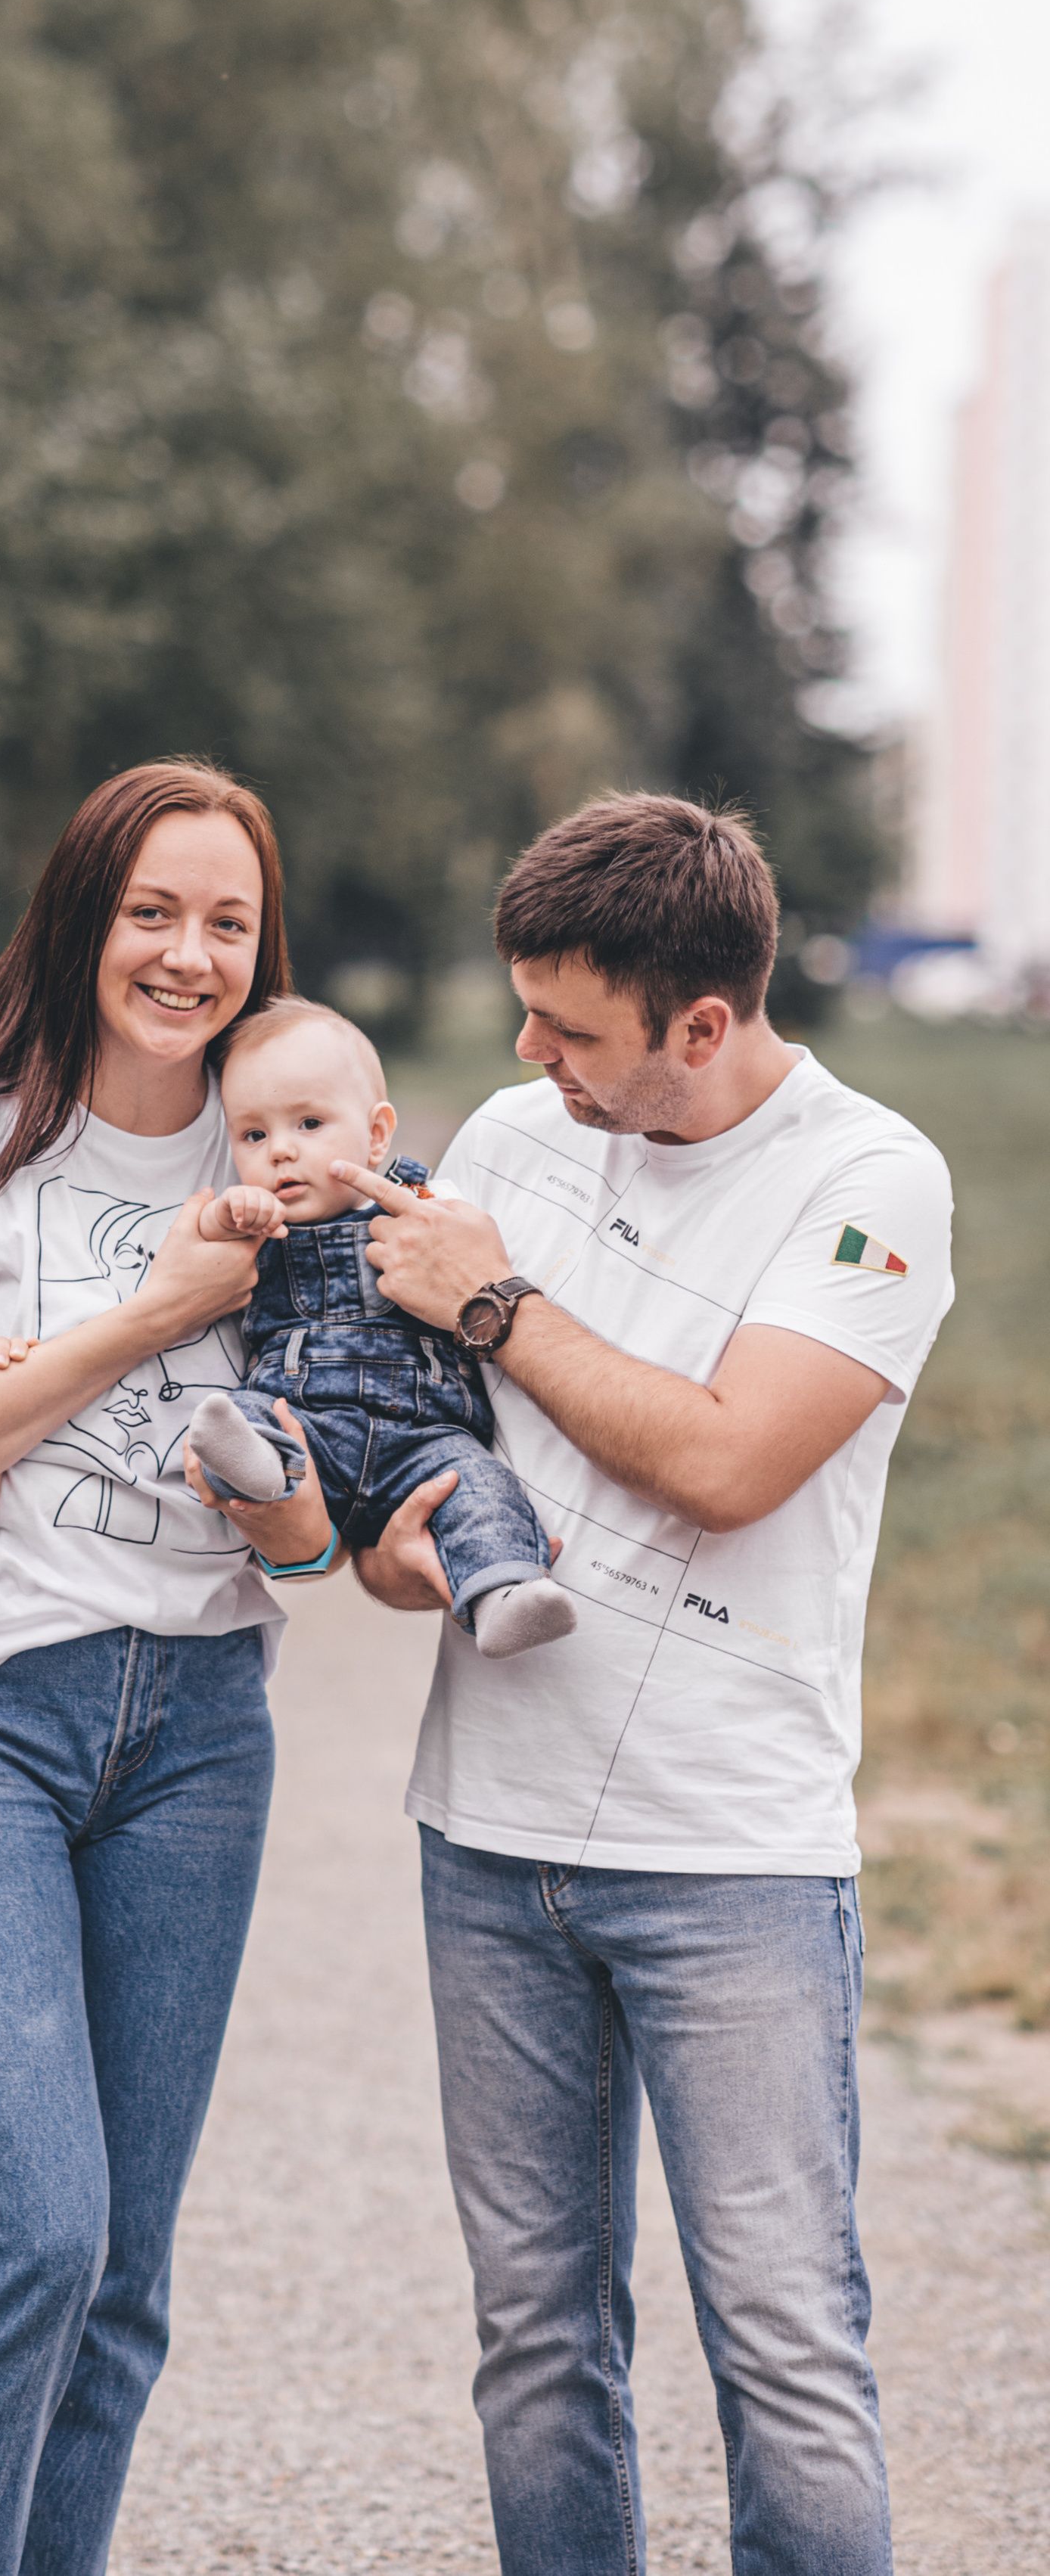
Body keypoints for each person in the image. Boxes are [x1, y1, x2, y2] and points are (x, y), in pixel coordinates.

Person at [280, 793, 949, 2576]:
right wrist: (388, 1544)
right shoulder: (510, 1131)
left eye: (569, 1026)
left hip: (726, 1848)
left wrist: (496, 1303)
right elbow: (417, 1450)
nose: (524, 1054)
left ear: (700, 1024)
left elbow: (730, 1461)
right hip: (483, 1833)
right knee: (535, 2339)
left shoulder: (866, 1178)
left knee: (782, 2346)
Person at [0, 757, 333, 2576]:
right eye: (151, 911)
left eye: (226, 922)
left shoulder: (279, 1155)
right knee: (30, 2224)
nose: (187, 954)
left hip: (199, 1734)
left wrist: (293, 1502)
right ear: (81, 916)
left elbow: (325, 1489)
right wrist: (155, 1314)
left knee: (120, 2275)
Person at [182, 995, 576, 1656]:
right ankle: (255, 1468)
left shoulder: (426, 1208)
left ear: (376, 1134)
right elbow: (196, 1256)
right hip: (309, 1427)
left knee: (481, 1490)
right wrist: (226, 1219)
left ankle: (506, 1593)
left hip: (427, 1438)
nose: (281, 1152)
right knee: (247, 1417)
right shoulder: (255, 1225)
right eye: (254, 1135)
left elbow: (476, 1256)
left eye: (309, 1123)